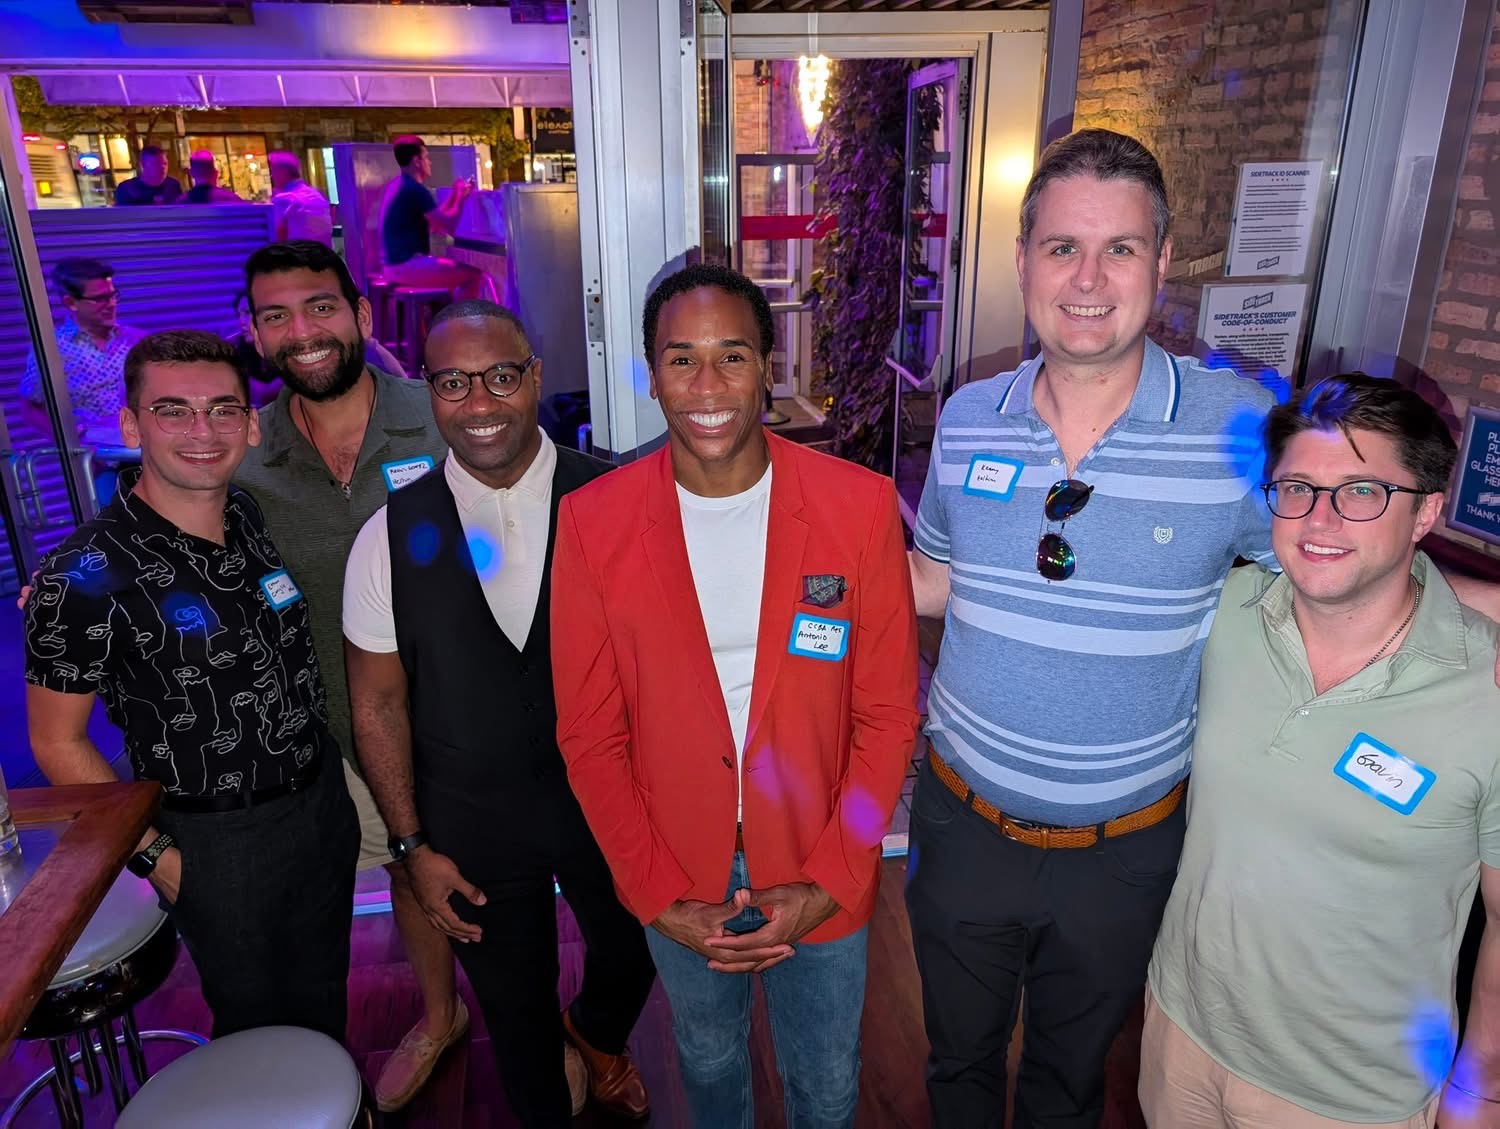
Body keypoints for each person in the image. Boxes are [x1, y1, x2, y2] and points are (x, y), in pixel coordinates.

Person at [552, 264, 920, 1128]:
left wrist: (830, 880)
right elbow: (590, 735)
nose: (707, 384)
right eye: (681, 359)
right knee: (710, 1065)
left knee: (826, 1081)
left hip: (824, 856)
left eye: (733, 355)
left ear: (768, 366)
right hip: (679, 870)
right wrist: (657, 895)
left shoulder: (859, 507)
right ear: (652, 375)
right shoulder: (594, 522)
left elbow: (888, 718)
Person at [1142, 373, 1500, 1129]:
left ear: (1426, 511)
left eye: (1362, 491)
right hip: (1181, 1037)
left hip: (1351, 1097)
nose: (1319, 518)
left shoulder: (1487, 689)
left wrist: (1480, 1090)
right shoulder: (1225, 614)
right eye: (1298, 488)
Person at [344, 300, 656, 1126]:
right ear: (429, 390)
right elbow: (376, 701)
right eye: (453, 382)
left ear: (536, 376)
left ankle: (594, 1032)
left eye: (501, 376)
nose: (479, 401)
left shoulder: (622, 500)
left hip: (609, 800)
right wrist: (412, 846)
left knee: (639, 949)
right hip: (471, 819)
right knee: (515, 1018)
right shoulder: (387, 535)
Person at [23, 330, 358, 1040]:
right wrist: (155, 857)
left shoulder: (247, 514)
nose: (202, 431)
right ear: (130, 425)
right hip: (214, 838)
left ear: (251, 423)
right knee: (258, 1031)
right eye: (173, 410)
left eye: (222, 409)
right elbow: (57, 743)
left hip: (319, 805)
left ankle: (332, 1092)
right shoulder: (82, 575)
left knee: (326, 995)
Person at [234, 240, 460, 1113]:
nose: (303, 331)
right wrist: (73, 577)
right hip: (349, 722)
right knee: (408, 866)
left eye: (321, 306)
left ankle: (541, 1022)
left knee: (512, 873)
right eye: (277, 316)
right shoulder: (245, 454)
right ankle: (440, 1014)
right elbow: (164, 524)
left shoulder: (442, 412)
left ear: (360, 314)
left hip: (473, 710)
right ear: (256, 334)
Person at [19, 258, 144, 446]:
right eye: (100, 299)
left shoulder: (136, 340)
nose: (111, 304)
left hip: (141, 449)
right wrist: (70, 445)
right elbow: (32, 409)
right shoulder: (52, 349)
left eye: (112, 295)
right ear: (71, 302)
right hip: (92, 457)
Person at [228, 288, 405, 408]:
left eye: (247, 313)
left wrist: (228, 362)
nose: (241, 322)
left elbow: (266, 395)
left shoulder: (353, 350)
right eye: (239, 314)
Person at [378, 135, 486, 298]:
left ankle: (450, 312)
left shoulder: (399, 185)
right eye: (426, 157)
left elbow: (436, 223)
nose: (430, 162)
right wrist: (460, 196)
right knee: (473, 275)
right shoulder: (414, 189)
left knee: (453, 273)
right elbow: (449, 225)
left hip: (393, 266)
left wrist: (456, 195)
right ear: (417, 161)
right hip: (406, 266)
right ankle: (461, 315)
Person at [269, 151, 334, 246]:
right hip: (324, 252)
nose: (272, 176)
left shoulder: (284, 199)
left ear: (283, 172)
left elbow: (278, 239)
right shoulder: (316, 194)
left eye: (274, 172)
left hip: (298, 253)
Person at [113, 144, 182, 206]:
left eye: (165, 163)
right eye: (156, 164)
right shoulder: (127, 189)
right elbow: (122, 214)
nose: (162, 167)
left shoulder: (173, 186)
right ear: (143, 165)